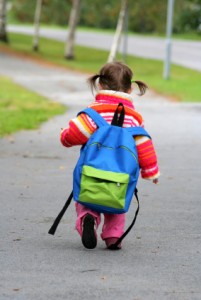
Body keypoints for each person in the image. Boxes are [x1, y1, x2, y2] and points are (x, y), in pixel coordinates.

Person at [60, 61, 160, 250]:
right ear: (130, 89)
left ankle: (87, 218)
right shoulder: (133, 118)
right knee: (116, 200)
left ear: (100, 85)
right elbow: (144, 144)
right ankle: (114, 236)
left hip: (92, 169)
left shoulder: (94, 112)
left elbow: (75, 134)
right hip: (120, 175)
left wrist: (64, 136)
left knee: (88, 197)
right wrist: (150, 171)